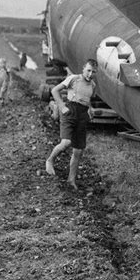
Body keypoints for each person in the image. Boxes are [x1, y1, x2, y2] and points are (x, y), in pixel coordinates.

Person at [45, 59, 98, 189]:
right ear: (83, 69)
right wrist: (62, 106)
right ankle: (50, 160)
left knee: (78, 151)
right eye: (88, 70)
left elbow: (88, 99)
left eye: (93, 72)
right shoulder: (74, 79)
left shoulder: (93, 85)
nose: (90, 74)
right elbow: (55, 91)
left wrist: (90, 110)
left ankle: (71, 180)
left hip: (82, 115)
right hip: (70, 111)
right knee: (66, 143)